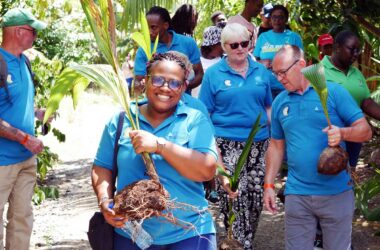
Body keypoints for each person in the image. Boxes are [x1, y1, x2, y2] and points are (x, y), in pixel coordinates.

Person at [92, 52, 218, 249]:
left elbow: (207, 170)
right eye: (158, 80)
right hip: (130, 232)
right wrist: (104, 200)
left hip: (191, 231)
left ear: (184, 87)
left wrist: (160, 146)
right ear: (145, 81)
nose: (166, 88)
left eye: (175, 83)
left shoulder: (194, 120)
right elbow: (102, 167)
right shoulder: (121, 120)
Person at [264, 45, 372, 250]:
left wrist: (343, 133)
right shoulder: (280, 102)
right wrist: (269, 185)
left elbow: (365, 131)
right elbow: (276, 145)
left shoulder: (333, 92)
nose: (279, 78)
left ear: (302, 65)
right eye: (275, 73)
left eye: (283, 72)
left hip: (336, 192)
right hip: (297, 193)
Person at [199, 23, 274, 250]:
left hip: (259, 143)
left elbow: (268, 106)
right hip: (226, 143)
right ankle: (241, 244)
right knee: (234, 196)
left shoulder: (261, 71)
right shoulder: (213, 74)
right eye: (234, 45)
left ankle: (244, 240)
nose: (240, 48)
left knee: (255, 199)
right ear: (224, 47)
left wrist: (277, 136)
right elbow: (204, 113)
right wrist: (213, 147)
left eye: (244, 43)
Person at [0, 8, 48, 250]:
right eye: (33, 31)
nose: (36, 37)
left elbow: (16, 103)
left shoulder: (24, 61)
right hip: (2, 160)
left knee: (22, 220)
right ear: (18, 31)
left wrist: (38, 113)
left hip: (25, 159)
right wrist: (23, 138)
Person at [321, 30, 380, 169]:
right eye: (351, 49)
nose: (355, 54)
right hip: (330, 135)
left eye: (357, 50)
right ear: (336, 47)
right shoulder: (319, 71)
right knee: (331, 172)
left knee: (349, 170)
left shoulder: (356, 73)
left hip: (354, 132)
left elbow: (366, 102)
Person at [134, 6, 203, 93]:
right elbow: (138, 80)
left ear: (165, 25)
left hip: (184, 102)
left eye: (153, 27)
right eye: (146, 28)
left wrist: (181, 88)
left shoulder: (188, 43)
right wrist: (139, 85)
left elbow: (199, 74)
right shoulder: (143, 50)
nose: (149, 32)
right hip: (156, 103)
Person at [254, 4, 303, 98]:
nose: (277, 20)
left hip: (288, 86)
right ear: (270, 19)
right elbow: (253, 60)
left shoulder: (294, 37)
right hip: (265, 85)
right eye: (274, 17)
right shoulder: (263, 37)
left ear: (286, 19)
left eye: (280, 17)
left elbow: (301, 61)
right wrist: (261, 62)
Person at [192, 26, 224, 98]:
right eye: (221, 44)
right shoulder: (196, 60)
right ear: (213, 45)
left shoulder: (223, 59)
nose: (224, 47)